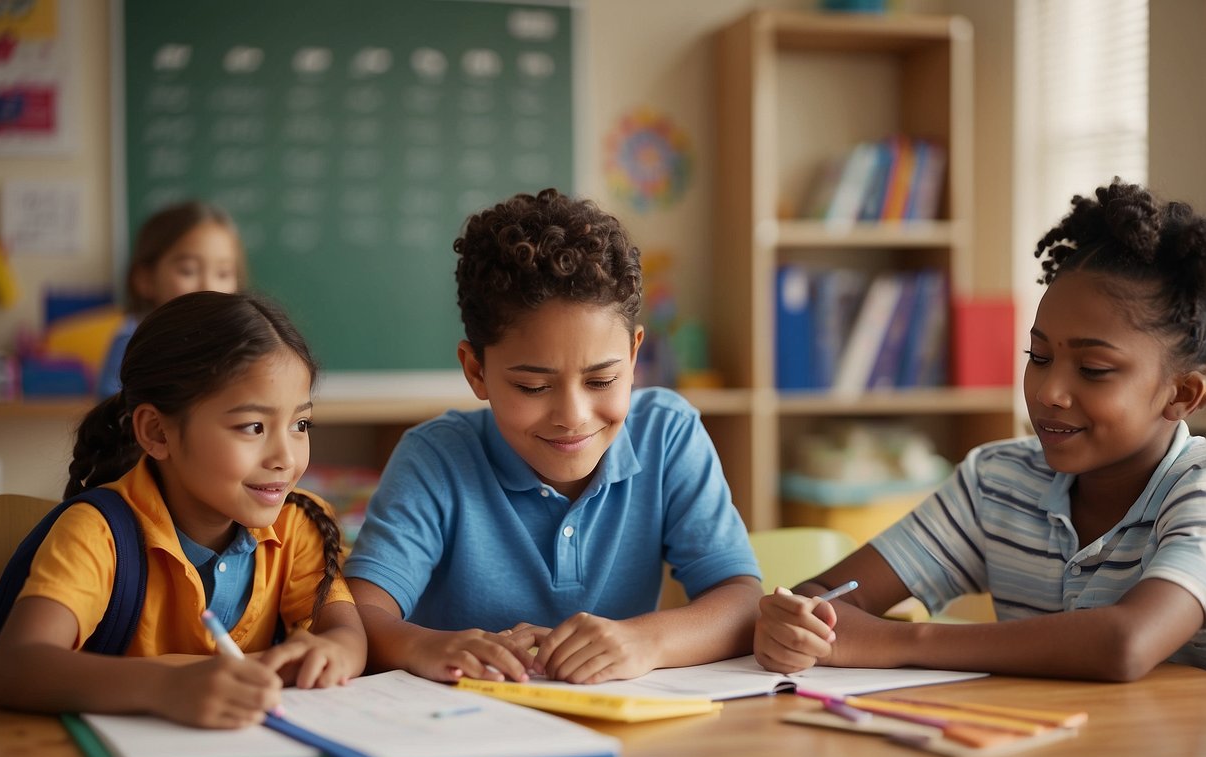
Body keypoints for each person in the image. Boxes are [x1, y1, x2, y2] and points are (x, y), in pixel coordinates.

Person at [754, 178, 1206, 682]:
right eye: (1038, 356)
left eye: (1094, 369)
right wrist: (798, 622)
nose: (1048, 391)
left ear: (1181, 395)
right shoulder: (997, 480)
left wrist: (898, 641)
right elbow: (832, 594)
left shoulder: (1197, 488)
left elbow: (1125, 643)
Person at [345, 188, 762, 685]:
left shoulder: (668, 434)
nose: (572, 416)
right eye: (533, 386)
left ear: (633, 357)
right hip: (464, 730)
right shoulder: (436, 458)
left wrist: (647, 640)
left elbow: (742, 600)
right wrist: (430, 644)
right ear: (476, 370)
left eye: (601, 381)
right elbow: (355, 618)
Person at [0, 291, 366, 727]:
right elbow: (15, 665)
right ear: (157, 432)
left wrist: (333, 651)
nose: (285, 455)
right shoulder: (99, 533)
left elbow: (346, 634)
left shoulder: (297, 524)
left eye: (300, 424)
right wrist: (166, 686)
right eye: (253, 426)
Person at [95, 200, 246, 397]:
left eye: (223, 273)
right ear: (146, 279)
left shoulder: (239, 342)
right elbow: (113, 416)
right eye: (188, 271)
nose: (209, 287)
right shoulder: (132, 344)